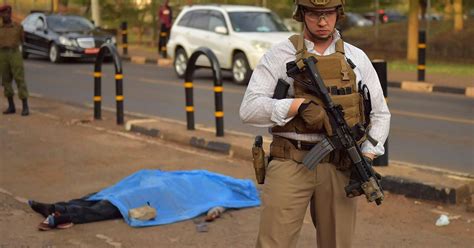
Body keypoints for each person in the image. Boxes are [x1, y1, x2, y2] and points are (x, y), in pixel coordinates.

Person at [239, 0, 390, 247]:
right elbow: (249, 109)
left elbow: (381, 114)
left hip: (340, 164)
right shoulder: (280, 55)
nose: (322, 22)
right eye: (314, 14)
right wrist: (295, 106)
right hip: (291, 160)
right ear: (302, 14)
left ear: (338, 14)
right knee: (273, 243)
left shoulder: (356, 58)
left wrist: (368, 155)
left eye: (328, 13)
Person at [0, 4, 29, 116]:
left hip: (14, 53)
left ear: (10, 14)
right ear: (1, 15)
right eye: (4, 13)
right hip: (2, 54)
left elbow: (22, 39)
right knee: (6, 80)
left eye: (8, 13)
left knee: (19, 79)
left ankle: (25, 106)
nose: (6, 15)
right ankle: (11, 106)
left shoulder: (18, 27)